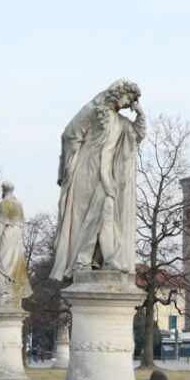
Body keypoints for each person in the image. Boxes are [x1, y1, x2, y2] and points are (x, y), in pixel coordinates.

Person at [51, 79, 146, 281]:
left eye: (131, 101)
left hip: (107, 176)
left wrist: (141, 114)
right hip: (87, 172)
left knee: (105, 213)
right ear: (118, 92)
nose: (128, 103)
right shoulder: (93, 110)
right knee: (91, 217)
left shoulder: (122, 123)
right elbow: (70, 134)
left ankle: (104, 259)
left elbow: (136, 136)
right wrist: (69, 166)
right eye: (128, 98)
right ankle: (89, 259)